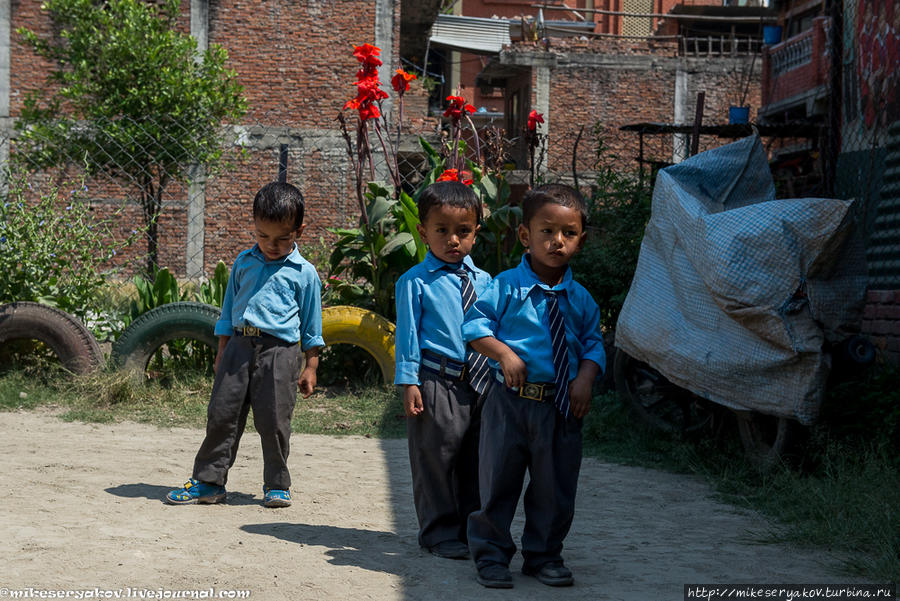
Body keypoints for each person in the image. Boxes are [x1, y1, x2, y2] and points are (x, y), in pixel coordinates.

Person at [462, 183, 606, 588]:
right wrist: (504, 354)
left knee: (556, 487)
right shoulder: (505, 286)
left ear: (580, 240)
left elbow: (594, 342)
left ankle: (544, 556)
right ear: (525, 235)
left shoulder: (580, 299)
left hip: (560, 406)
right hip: (508, 404)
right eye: (546, 231)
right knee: (497, 483)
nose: (556, 241)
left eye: (569, 233)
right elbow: (474, 327)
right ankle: (491, 557)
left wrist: (585, 379)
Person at [165, 181, 323, 508]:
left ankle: (277, 484)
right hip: (238, 347)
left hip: (280, 352)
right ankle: (209, 482)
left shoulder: (304, 273)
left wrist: (311, 365)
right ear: (254, 226)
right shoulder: (243, 262)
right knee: (222, 414)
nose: (272, 245)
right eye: (263, 236)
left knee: (274, 420)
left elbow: (311, 323)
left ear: (299, 230)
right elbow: (228, 309)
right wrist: (222, 349)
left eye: (283, 238)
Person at [394, 180, 493, 560]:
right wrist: (409, 381)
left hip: (482, 384)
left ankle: (471, 529)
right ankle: (438, 533)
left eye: (463, 231)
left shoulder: (485, 282)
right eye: (442, 230)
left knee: (477, 459)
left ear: (475, 233)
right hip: (437, 381)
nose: (453, 240)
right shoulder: (415, 282)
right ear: (423, 232)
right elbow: (409, 334)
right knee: (436, 458)